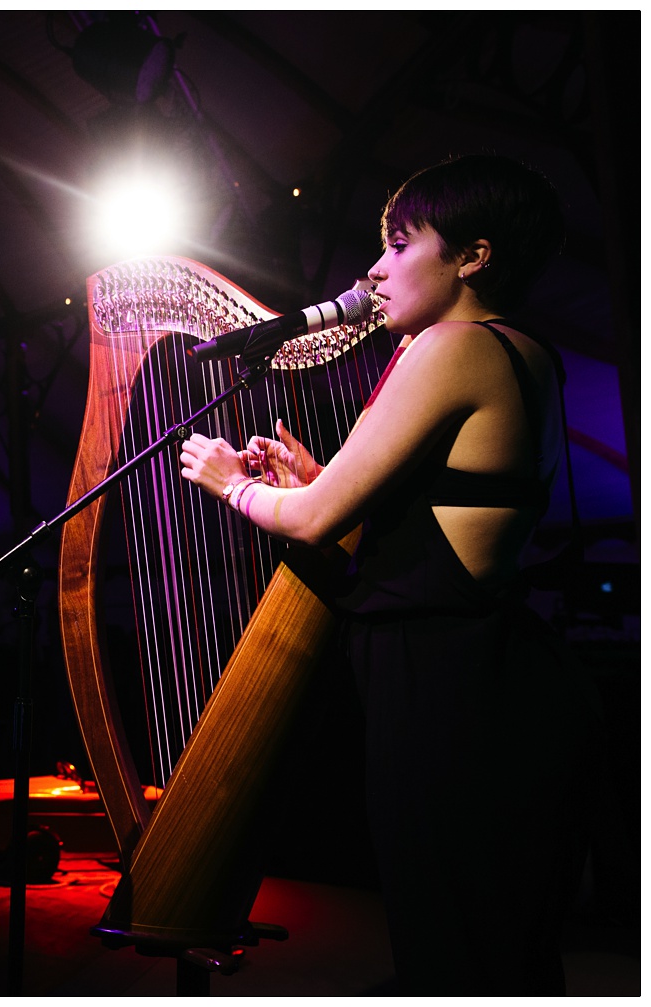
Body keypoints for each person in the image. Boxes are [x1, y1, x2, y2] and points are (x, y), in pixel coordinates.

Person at [178, 154, 597, 994]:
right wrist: (317, 478)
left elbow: (312, 522)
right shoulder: (521, 352)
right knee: (488, 945)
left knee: (454, 947)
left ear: (473, 256)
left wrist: (239, 484)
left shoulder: (450, 345)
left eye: (401, 242)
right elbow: (433, 517)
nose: (374, 267)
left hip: (450, 692)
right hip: (489, 682)